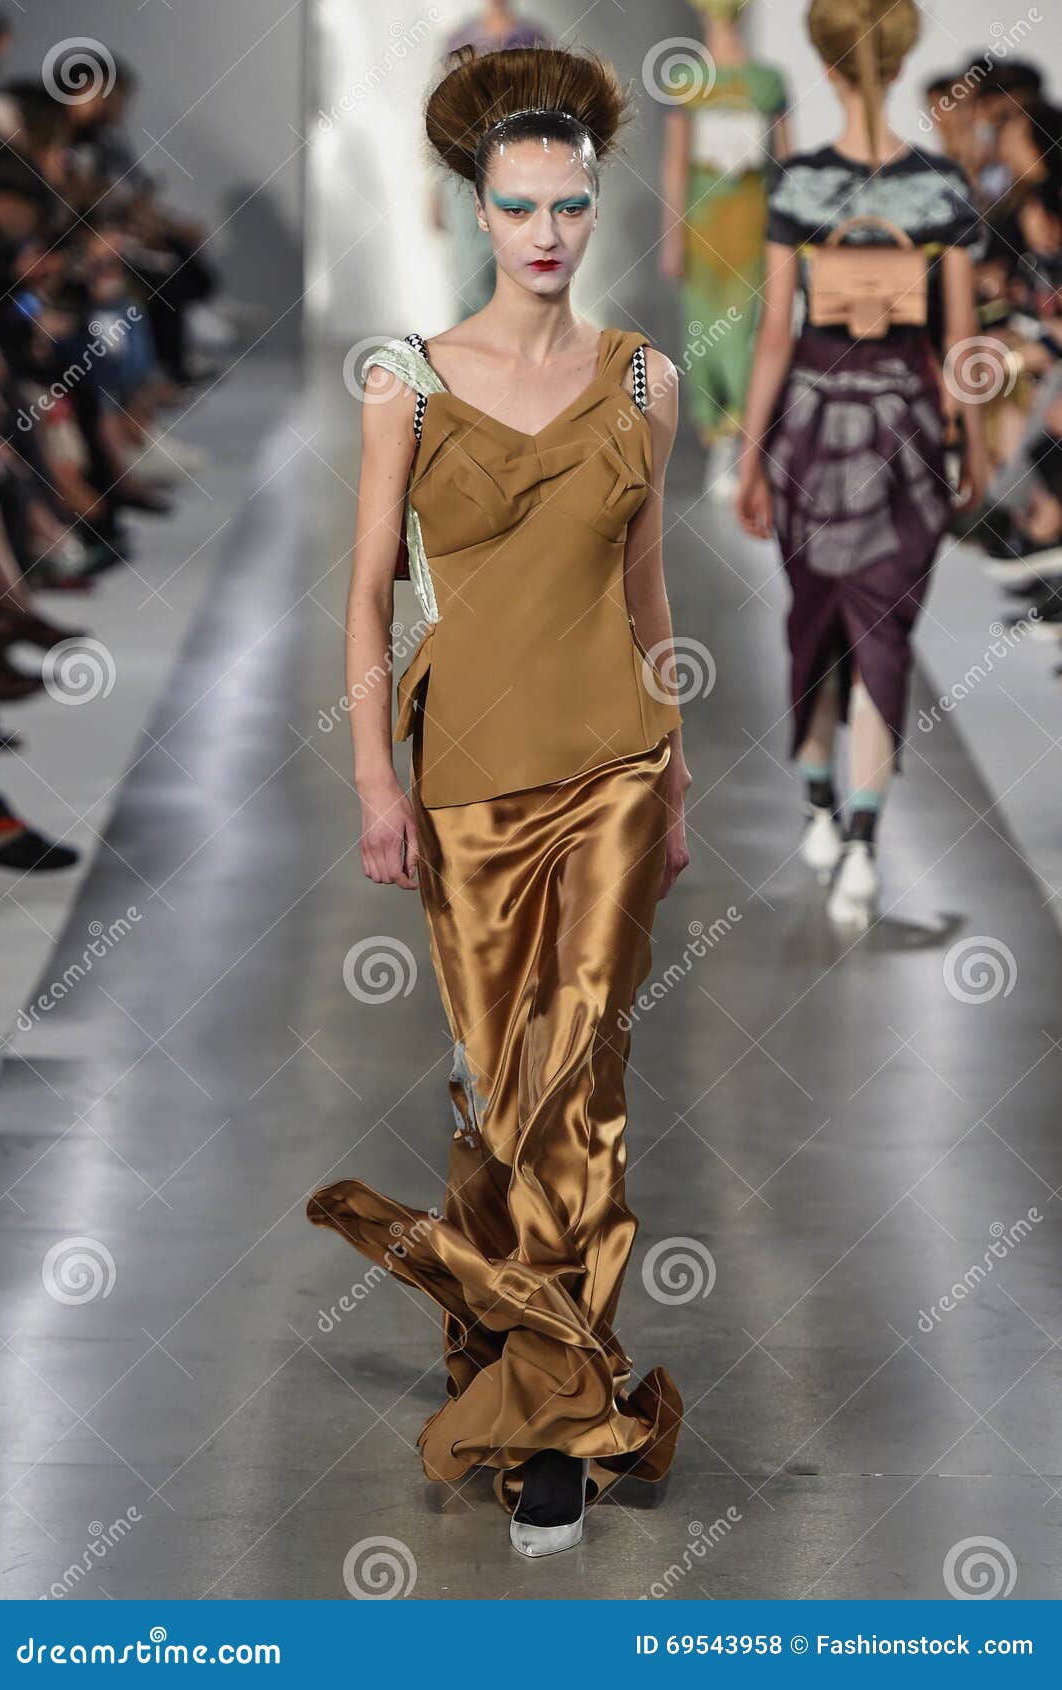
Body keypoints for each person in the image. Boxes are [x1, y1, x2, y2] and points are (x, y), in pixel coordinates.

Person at [307, 43, 692, 1559]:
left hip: (611, 759)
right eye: (518, 204)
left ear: (596, 211)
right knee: (494, 1091)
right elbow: (361, 599)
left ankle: (556, 1422)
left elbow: (648, 586)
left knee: (578, 1076)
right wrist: (370, 780)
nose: (545, 229)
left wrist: (678, 779)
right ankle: (509, 1334)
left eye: (570, 204)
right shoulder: (404, 378)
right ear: (477, 208)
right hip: (464, 774)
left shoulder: (644, 378)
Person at [736, 0, 988, 926]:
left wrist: (754, 452)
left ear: (828, 67)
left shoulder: (796, 185)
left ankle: (821, 806)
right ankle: (861, 842)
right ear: (899, 59)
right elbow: (959, 340)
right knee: (881, 624)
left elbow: (774, 334)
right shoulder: (941, 186)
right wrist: (968, 438)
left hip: (807, 415)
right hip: (907, 424)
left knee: (818, 618)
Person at [659, 0, 789, 498]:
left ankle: (745, 443)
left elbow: (787, 157)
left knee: (750, 331)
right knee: (707, 335)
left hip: (755, 227)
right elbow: (674, 163)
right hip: (705, 229)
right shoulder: (687, 81)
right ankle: (719, 441)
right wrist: (672, 236)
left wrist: (791, 231)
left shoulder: (767, 81)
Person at [429, 3, 551, 319]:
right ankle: (466, 360)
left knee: (516, 270)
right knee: (470, 277)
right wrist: (433, 191)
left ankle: (514, 360)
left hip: (518, 172)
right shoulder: (460, 40)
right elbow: (441, 117)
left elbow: (548, 113)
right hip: (464, 171)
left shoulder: (532, 38)